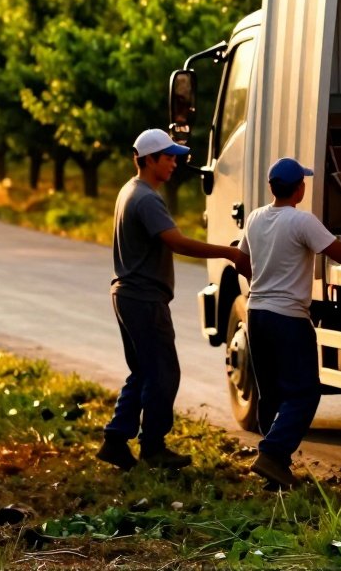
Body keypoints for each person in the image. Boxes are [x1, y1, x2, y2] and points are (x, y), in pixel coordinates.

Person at [99, 128, 250, 471]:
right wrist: (229, 252)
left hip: (128, 294)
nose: (174, 164)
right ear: (148, 160)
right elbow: (176, 242)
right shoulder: (146, 198)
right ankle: (153, 448)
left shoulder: (130, 190)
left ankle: (115, 439)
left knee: (144, 370)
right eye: (167, 158)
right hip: (144, 298)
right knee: (164, 372)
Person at [239, 157, 341, 489]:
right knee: (305, 392)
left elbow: (242, 260)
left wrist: (263, 280)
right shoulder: (301, 222)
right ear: (299, 188)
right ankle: (272, 452)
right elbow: (340, 254)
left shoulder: (254, 218)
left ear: (271, 188)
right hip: (289, 319)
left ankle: (275, 468)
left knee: (271, 394)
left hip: (256, 313)